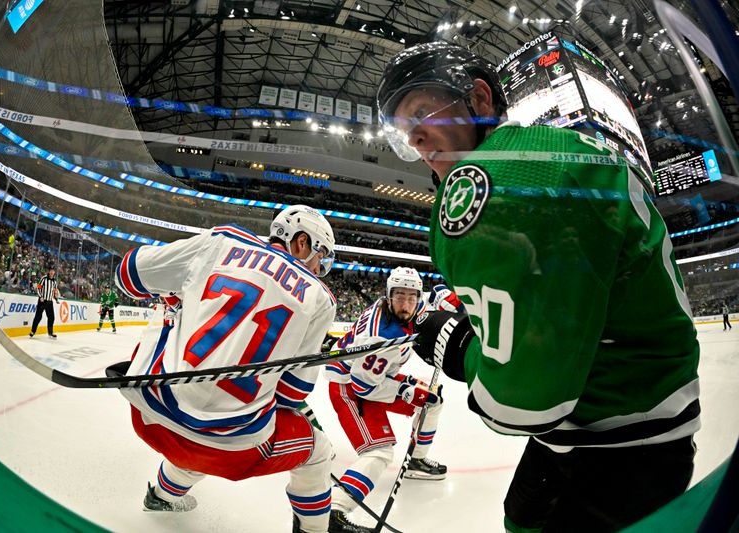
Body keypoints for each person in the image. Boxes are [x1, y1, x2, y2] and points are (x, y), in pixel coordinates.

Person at [376, 42, 701, 532]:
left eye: (423, 112)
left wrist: (458, 346)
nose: (417, 140)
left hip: (618, 437)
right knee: (520, 515)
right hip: (622, 417)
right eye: (405, 133)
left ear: (479, 99)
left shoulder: (493, 180)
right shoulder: (551, 148)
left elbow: (523, 404)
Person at [113, 205, 367, 533]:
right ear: (301, 243)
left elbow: (127, 276)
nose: (319, 268)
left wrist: (177, 294)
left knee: (201, 409)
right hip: (231, 452)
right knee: (317, 452)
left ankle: (163, 494)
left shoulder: (222, 240)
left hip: (148, 415)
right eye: (321, 256)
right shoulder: (319, 297)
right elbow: (290, 395)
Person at [325, 267, 462, 527]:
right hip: (349, 385)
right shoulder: (381, 336)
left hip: (374, 375)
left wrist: (451, 299)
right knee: (379, 452)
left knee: (432, 402)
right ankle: (333, 511)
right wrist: (406, 389)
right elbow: (364, 387)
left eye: (412, 297)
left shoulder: (407, 307)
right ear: (389, 296)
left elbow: (434, 298)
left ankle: (416, 461)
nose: (406, 304)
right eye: (400, 296)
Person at [29, 266, 60, 338]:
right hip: (42, 301)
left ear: (54, 272)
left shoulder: (54, 281)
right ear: (49, 271)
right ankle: (32, 331)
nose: (52, 272)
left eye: (53, 271)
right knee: (38, 317)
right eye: (51, 270)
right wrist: (40, 297)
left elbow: (54, 292)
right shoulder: (44, 278)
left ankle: (50, 333)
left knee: (51, 317)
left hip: (49, 302)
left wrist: (56, 299)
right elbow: (38, 288)